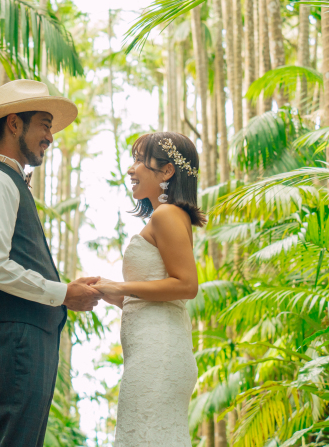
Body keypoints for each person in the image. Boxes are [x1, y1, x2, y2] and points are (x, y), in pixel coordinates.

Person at [0, 79, 102, 447]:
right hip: (16, 338)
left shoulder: (12, 183)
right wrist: (62, 293)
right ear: (13, 123)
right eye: (44, 124)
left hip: (25, 337)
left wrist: (67, 289)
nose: (50, 137)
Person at [91, 132, 206, 447]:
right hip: (152, 350)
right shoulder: (165, 216)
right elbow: (152, 294)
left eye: (140, 160)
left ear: (167, 171)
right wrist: (106, 292)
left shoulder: (167, 214)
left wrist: (121, 285)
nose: (131, 169)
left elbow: (186, 285)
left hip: (158, 354)